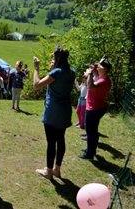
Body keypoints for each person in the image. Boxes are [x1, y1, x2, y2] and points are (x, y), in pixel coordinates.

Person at [33, 47, 75, 179]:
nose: (51, 60)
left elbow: (36, 85)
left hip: (53, 112)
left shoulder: (56, 72)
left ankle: (49, 172)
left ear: (57, 59)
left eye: (53, 58)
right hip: (65, 111)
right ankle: (57, 169)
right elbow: (59, 83)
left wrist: (36, 68)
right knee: (61, 139)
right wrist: (53, 69)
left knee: (51, 142)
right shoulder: (71, 72)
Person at [80, 57, 112, 160]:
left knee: (91, 132)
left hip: (94, 109)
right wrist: (92, 69)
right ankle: (90, 150)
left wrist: (89, 73)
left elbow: (90, 86)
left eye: (100, 66)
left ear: (105, 70)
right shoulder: (102, 77)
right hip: (95, 107)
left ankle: (89, 154)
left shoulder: (103, 81)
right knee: (92, 131)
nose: (98, 67)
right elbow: (95, 75)